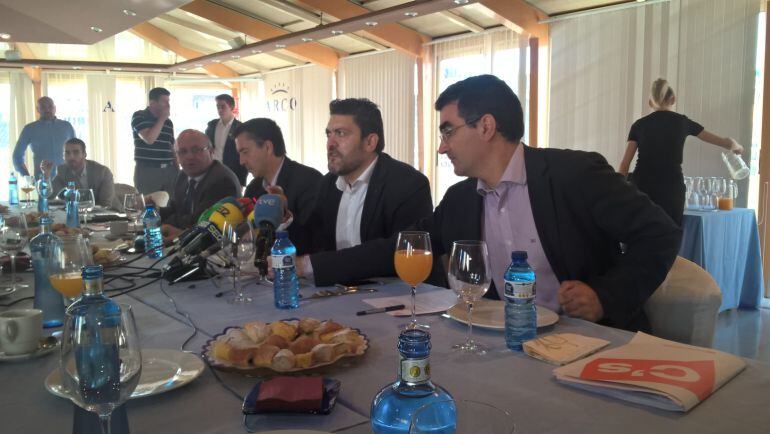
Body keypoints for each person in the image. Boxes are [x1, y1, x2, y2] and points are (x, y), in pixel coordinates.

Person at [303, 75, 681, 333]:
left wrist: (606, 296)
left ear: (485, 126)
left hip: (592, 341)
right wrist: (309, 266)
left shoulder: (574, 174)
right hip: (505, 343)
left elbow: (659, 233)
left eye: (448, 130)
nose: (441, 145)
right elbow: (404, 246)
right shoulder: (461, 199)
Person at [291, 98, 433, 283]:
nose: (330, 144)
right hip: (342, 295)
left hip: (399, 298)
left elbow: (395, 253)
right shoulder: (328, 184)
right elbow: (313, 242)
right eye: (328, 134)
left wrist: (310, 266)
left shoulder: (407, 184)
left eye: (340, 133)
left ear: (370, 142)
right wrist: (284, 218)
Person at [619, 78, 744, 225]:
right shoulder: (682, 122)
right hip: (671, 190)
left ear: (650, 103)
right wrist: (734, 145)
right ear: (673, 99)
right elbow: (721, 141)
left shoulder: (638, 125)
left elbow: (624, 165)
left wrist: (619, 193)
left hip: (642, 189)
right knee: (669, 237)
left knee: (639, 236)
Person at [235, 118, 322, 253]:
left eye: (245, 152)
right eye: (239, 153)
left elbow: (315, 240)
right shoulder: (254, 188)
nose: (241, 161)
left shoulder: (309, 180)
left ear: (268, 147)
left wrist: (285, 217)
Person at [158, 129, 241, 243]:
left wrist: (164, 224)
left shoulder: (222, 181)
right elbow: (176, 208)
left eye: (196, 150)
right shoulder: (183, 175)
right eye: (182, 151)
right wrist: (151, 211)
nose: (189, 156)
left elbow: (197, 221)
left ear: (211, 152)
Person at [41, 138, 117, 208]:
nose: (71, 157)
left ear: (84, 154)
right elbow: (48, 196)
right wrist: (46, 175)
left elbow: (106, 205)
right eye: (67, 153)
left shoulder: (103, 172)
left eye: (76, 152)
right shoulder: (63, 171)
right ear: (63, 156)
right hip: (82, 215)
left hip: (112, 215)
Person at [131, 87, 179, 196]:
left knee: (171, 206)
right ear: (152, 103)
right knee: (149, 206)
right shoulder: (139, 116)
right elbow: (149, 139)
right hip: (148, 171)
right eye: (164, 101)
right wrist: (161, 118)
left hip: (169, 170)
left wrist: (178, 170)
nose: (168, 105)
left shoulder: (168, 122)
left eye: (168, 101)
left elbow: (171, 147)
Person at [13, 96, 75, 178]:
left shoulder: (67, 126)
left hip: (67, 179)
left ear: (55, 108)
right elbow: (17, 156)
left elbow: (76, 151)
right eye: (43, 107)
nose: (47, 110)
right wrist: (27, 177)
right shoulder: (29, 129)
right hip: (42, 181)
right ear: (37, 109)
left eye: (50, 106)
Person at [204, 94, 247, 187]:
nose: (220, 110)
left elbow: (244, 153)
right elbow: (205, 147)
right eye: (218, 107)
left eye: (223, 106)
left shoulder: (240, 128)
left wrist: (242, 181)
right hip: (212, 171)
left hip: (233, 172)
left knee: (231, 200)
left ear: (231, 107)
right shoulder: (212, 125)